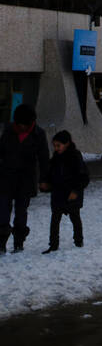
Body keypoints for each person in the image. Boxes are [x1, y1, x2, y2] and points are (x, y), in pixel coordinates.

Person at [0, 103, 50, 253]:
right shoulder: (8, 130)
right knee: (2, 211)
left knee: (21, 212)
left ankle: (19, 242)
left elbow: (44, 158)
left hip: (26, 178)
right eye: (19, 124)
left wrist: (44, 179)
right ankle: (1, 242)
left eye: (24, 125)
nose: (21, 127)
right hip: (6, 177)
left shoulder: (39, 133)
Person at [42, 131, 89, 253]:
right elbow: (50, 175)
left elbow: (83, 177)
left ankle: (78, 241)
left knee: (75, 218)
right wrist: (46, 185)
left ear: (67, 144)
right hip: (58, 194)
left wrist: (76, 191)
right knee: (55, 220)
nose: (56, 148)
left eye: (59, 145)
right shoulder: (55, 159)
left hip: (71, 195)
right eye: (55, 145)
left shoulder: (75, 156)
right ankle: (53, 244)